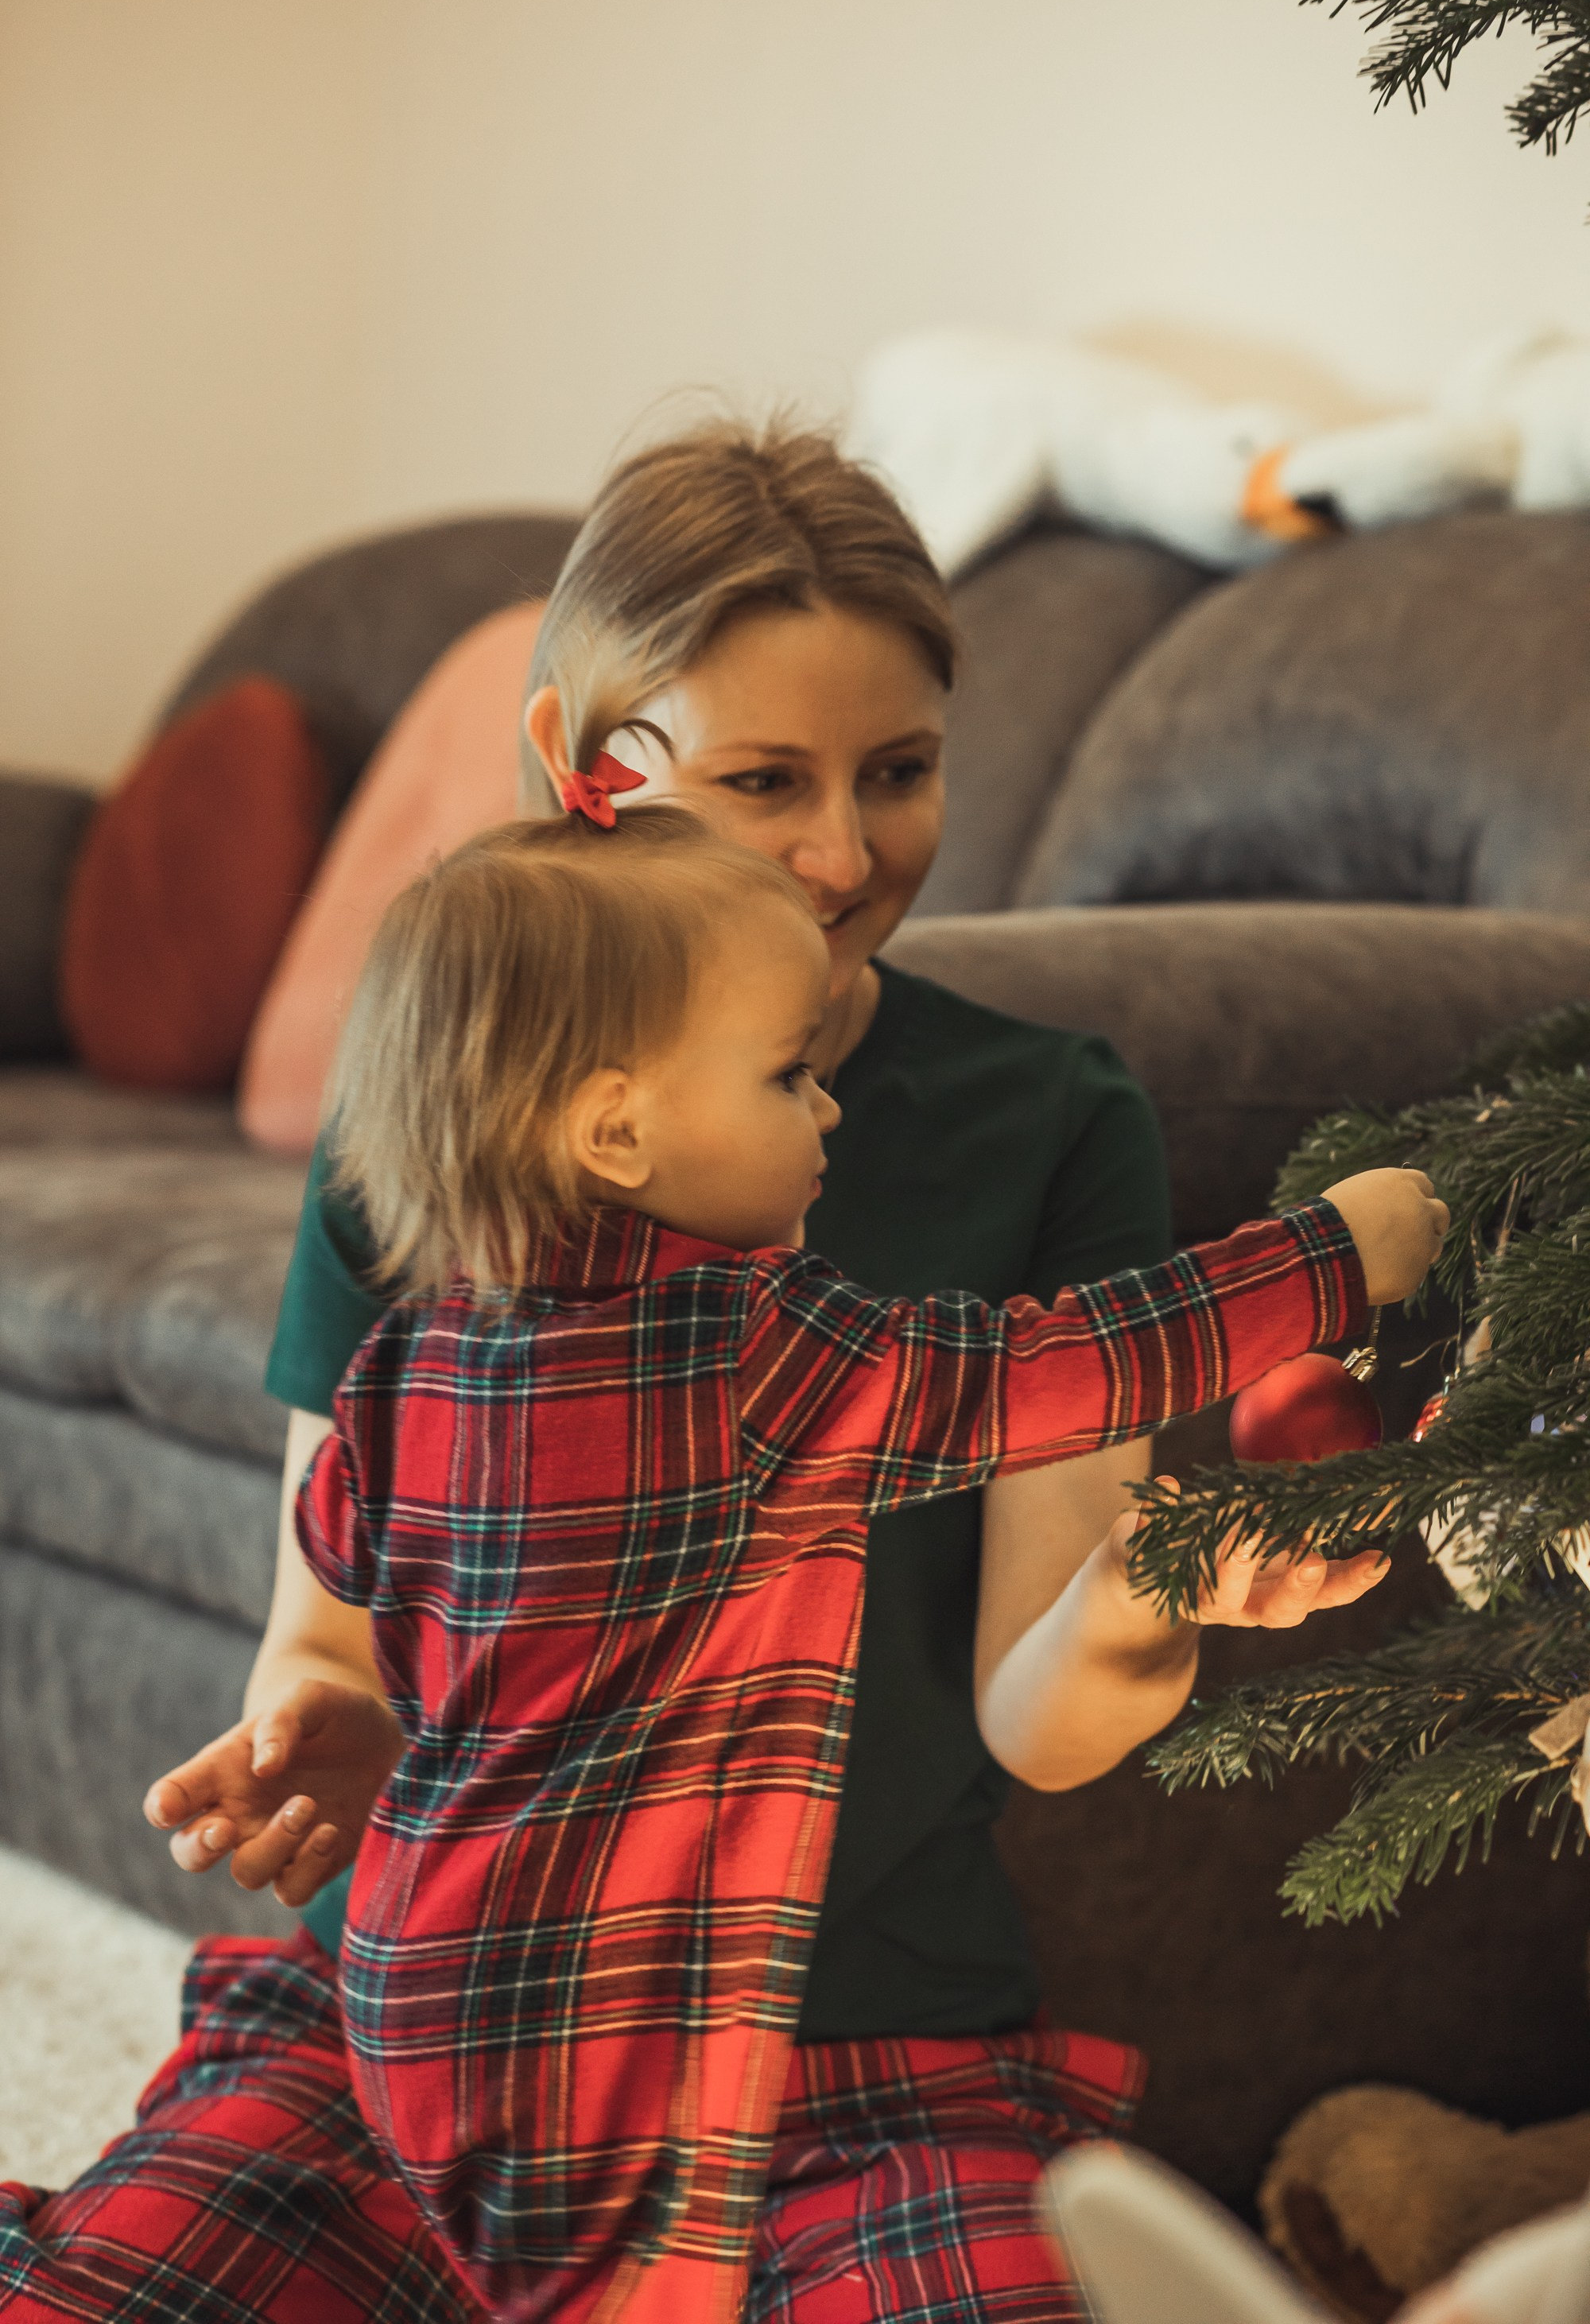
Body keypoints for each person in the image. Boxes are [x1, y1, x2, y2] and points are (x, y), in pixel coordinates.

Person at [0, 424, 1441, 2324]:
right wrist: (327, 1722)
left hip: (851, 2063)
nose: (844, 855)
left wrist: (1144, 1596)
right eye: (765, 781)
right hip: (424, 2050)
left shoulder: (1042, 1121)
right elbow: (329, 1618)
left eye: (899, 772)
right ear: (578, 766)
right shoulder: (428, 1116)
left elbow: (1040, 1713)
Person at [289, 793, 1441, 2324]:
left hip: (411, 1974)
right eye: (788, 1077)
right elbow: (1062, 1365)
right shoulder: (760, 1348)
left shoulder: (408, 1360)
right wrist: (1332, 1259)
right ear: (617, 1128)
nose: (830, 1111)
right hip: (616, 2021)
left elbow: (343, 1547)